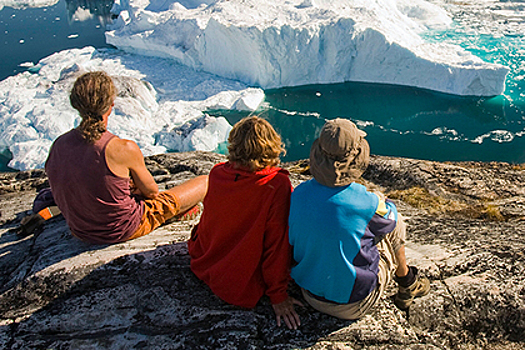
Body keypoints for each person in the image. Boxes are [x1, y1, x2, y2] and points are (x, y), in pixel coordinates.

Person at [288, 118, 430, 320]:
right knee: (396, 224)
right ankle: (407, 282)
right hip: (355, 302)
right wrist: (381, 199)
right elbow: (390, 218)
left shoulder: (298, 194)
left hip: (309, 294)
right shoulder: (366, 202)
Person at [45, 71, 208, 245]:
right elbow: (152, 192)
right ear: (111, 104)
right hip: (123, 229)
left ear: (76, 104)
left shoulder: (59, 145)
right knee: (206, 181)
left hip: (80, 230)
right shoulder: (122, 148)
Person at [188, 116, 302, 330]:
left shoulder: (217, 173)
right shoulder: (276, 184)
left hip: (207, 264)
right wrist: (278, 295)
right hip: (241, 283)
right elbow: (276, 244)